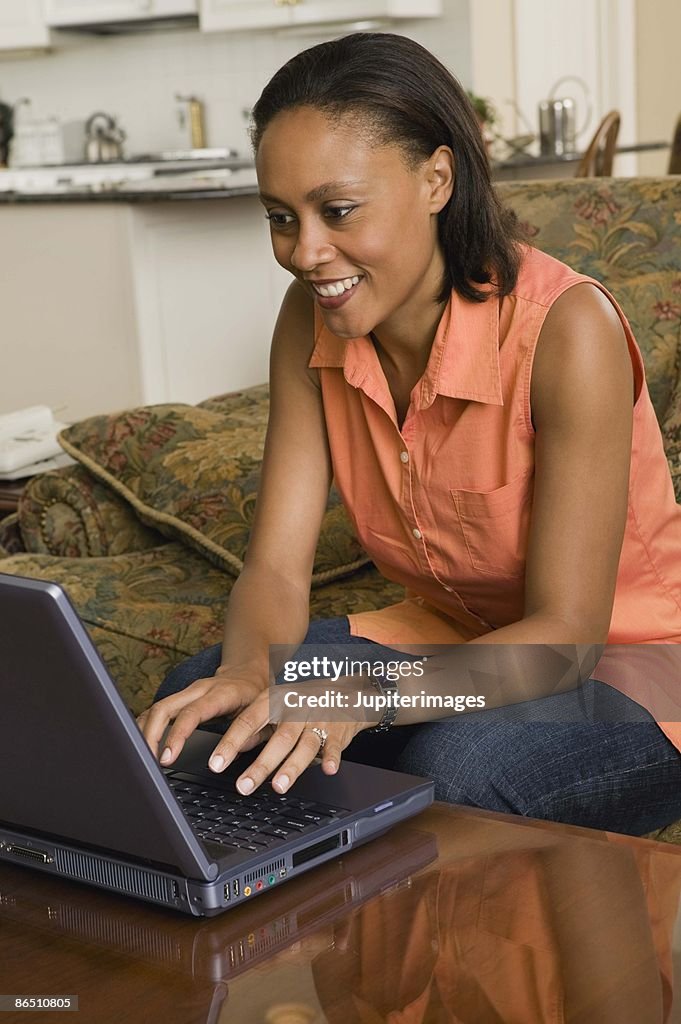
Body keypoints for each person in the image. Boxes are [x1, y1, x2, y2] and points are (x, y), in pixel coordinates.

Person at [137, 32, 681, 835]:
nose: (306, 254)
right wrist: (252, 673)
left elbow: (566, 640)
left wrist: (365, 700)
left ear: (435, 178)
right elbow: (277, 573)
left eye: (338, 210)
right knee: (205, 708)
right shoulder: (309, 321)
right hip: (451, 642)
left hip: (633, 666)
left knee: (457, 771)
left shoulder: (566, 331)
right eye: (281, 218)